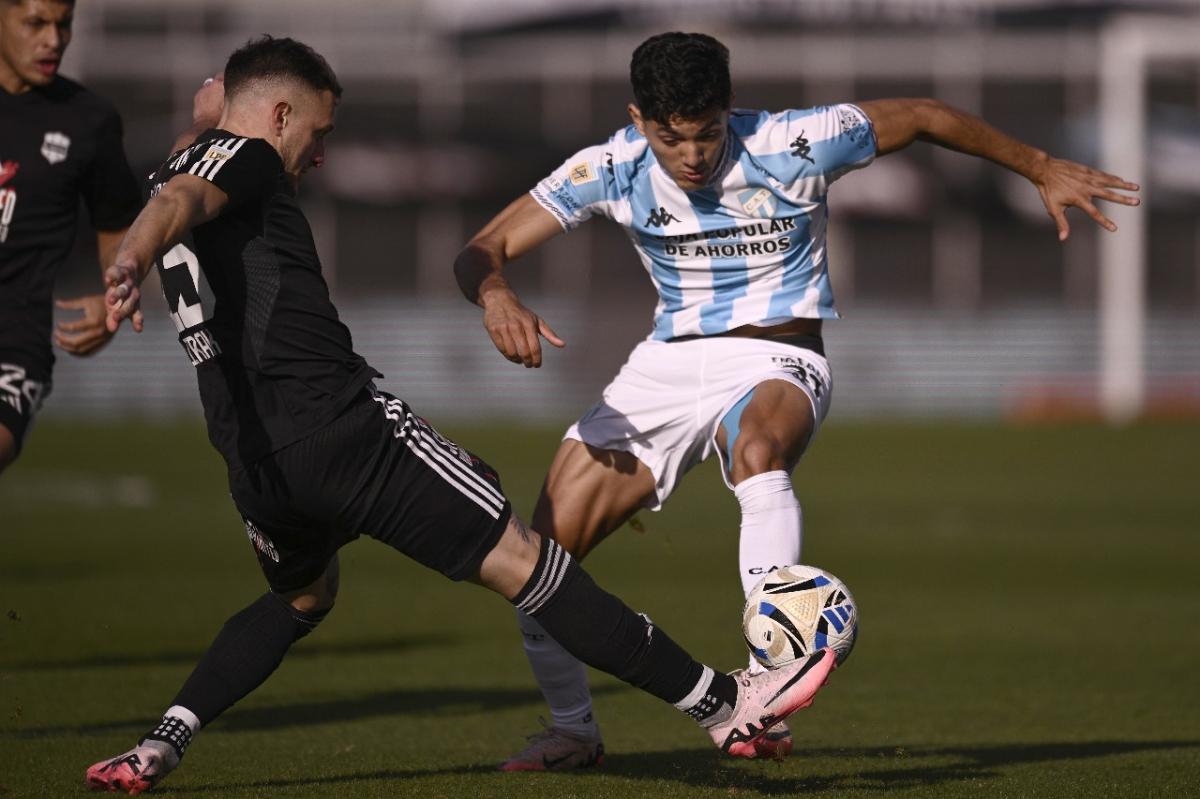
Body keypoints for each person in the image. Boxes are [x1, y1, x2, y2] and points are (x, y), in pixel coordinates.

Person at [83, 35, 839, 796]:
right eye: (317, 132)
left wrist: (179, 170)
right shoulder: (247, 160)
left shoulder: (176, 163)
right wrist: (127, 263)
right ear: (278, 115)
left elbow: (183, 181)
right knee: (529, 561)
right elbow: (189, 198)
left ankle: (159, 744)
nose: (319, 155)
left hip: (255, 461)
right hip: (344, 431)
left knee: (302, 598)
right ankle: (726, 704)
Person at [453, 31, 1141, 770]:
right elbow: (482, 247)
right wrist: (495, 295)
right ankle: (573, 731)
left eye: (707, 132)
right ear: (638, 119)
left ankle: (767, 678)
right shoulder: (612, 165)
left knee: (756, 449)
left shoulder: (793, 142)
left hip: (778, 354)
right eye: (671, 138)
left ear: (730, 108)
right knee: (539, 562)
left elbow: (925, 115)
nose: (692, 155)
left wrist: (1039, 166)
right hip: (664, 366)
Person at [0, 0, 142, 475]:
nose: (53, 40)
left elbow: (117, 228)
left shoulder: (89, 121)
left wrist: (115, 292)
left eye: (64, 25)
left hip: (14, 340)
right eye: (36, 23)